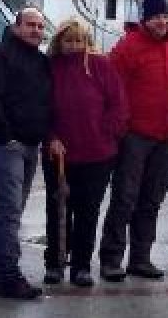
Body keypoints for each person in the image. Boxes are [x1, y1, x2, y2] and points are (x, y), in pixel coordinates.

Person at [99, 0, 168, 282]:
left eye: (165, 16)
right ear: (145, 19)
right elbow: (111, 87)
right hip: (134, 136)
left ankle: (140, 257)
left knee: (152, 199)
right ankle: (111, 258)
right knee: (124, 198)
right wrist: (119, 126)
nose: (161, 21)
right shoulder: (128, 46)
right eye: (155, 17)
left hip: (166, 136)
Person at [0, 8, 52, 299]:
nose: (35, 30)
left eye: (40, 26)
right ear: (16, 27)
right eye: (29, 25)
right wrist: (6, 135)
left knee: (10, 209)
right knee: (9, 210)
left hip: (31, 144)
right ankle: (9, 275)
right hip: (4, 144)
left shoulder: (42, 61)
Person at [42, 18, 127, 287]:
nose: (74, 46)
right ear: (60, 42)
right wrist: (51, 137)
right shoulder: (49, 68)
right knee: (57, 209)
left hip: (97, 155)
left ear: (87, 42)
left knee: (88, 212)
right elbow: (39, 108)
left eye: (79, 40)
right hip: (60, 153)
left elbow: (118, 105)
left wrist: (106, 133)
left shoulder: (101, 66)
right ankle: (55, 262)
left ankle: (81, 265)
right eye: (69, 40)